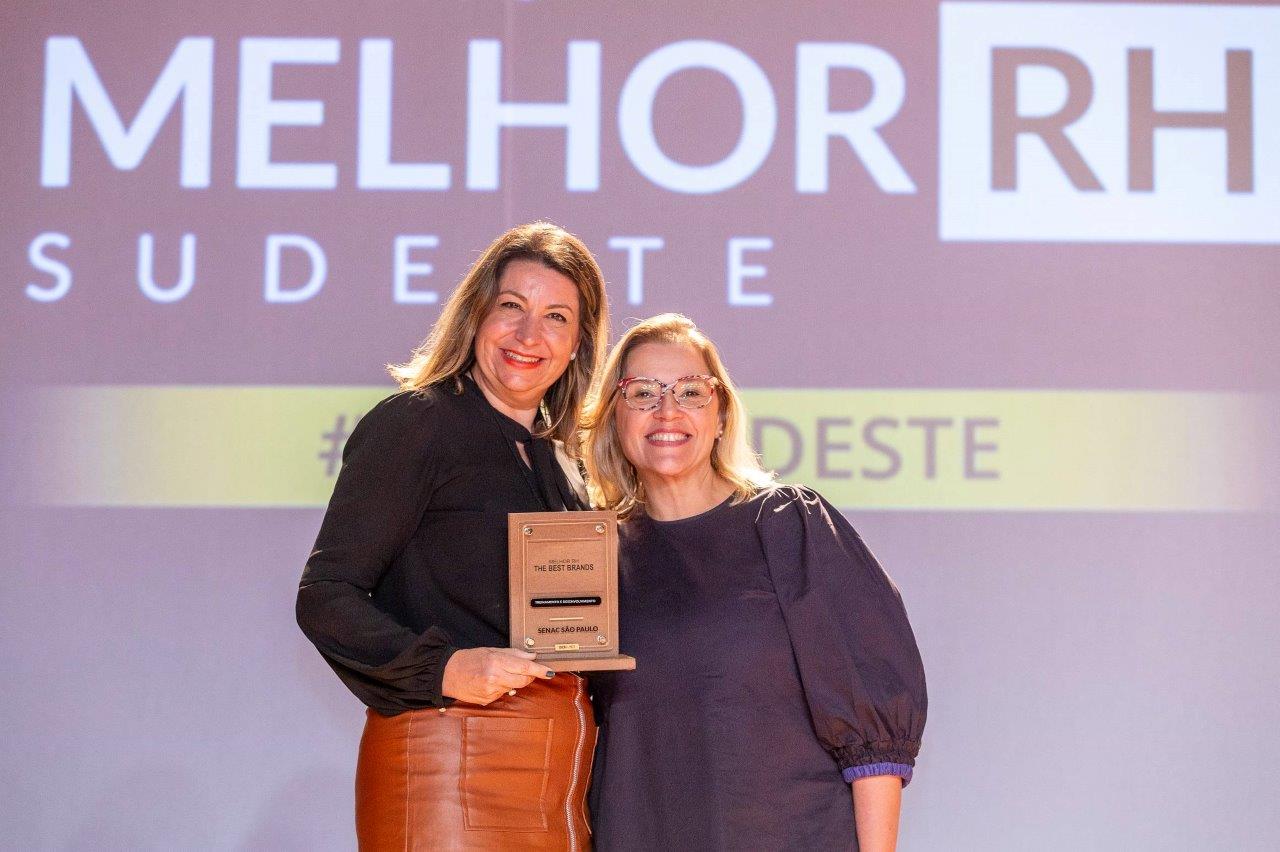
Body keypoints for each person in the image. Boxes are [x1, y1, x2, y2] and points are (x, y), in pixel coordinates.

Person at [296, 222, 609, 850]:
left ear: (578, 343)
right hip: (449, 763)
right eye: (511, 307)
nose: (528, 335)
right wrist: (444, 668)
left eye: (555, 317)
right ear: (476, 315)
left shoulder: (566, 463)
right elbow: (325, 595)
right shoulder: (418, 424)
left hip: (559, 775)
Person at [580, 314, 927, 852]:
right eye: (643, 393)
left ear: (720, 415)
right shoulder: (590, 557)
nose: (667, 410)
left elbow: (872, 735)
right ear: (613, 417)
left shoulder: (789, 526)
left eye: (690, 392)